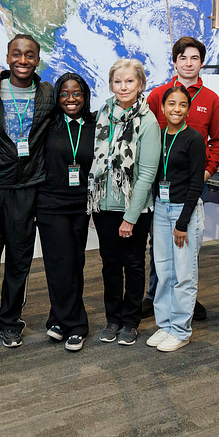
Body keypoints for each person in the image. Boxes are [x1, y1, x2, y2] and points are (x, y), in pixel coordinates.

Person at [0, 34, 55, 350]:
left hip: (28, 187)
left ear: (37, 60)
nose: (23, 60)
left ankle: (10, 321)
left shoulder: (48, 94)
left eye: (30, 55)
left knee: (19, 261)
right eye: (17, 54)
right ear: (6, 57)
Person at [144, 36, 219, 321]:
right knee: (160, 243)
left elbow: (218, 140)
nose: (188, 63)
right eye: (183, 58)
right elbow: (145, 132)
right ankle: (156, 295)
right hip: (162, 186)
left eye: (194, 58)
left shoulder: (210, 99)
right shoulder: (158, 95)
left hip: (191, 185)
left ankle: (185, 299)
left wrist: (207, 170)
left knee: (188, 242)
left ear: (201, 63)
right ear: (175, 61)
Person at [88, 58, 160, 346]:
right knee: (109, 265)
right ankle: (112, 319)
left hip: (136, 209)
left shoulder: (148, 120)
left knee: (133, 264)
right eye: (118, 81)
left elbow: (146, 174)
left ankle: (131, 322)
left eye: (129, 81)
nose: (123, 86)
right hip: (105, 207)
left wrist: (130, 217)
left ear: (140, 84)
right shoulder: (104, 112)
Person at [38, 73, 95, 352]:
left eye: (77, 93)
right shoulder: (48, 125)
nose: (71, 99)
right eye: (64, 94)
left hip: (81, 205)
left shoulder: (96, 125)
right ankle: (77, 325)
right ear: (57, 98)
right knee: (58, 263)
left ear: (85, 96)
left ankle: (59, 318)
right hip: (50, 204)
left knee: (75, 263)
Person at [149, 85, 206, 352]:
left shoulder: (194, 138)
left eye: (182, 105)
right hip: (161, 209)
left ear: (188, 109)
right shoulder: (158, 136)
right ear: (162, 108)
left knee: (184, 274)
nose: (176, 109)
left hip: (184, 212)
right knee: (164, 271)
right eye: (171, 104)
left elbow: (196, 184)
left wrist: (182, 223)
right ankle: (166, 324)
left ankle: (181, 330)